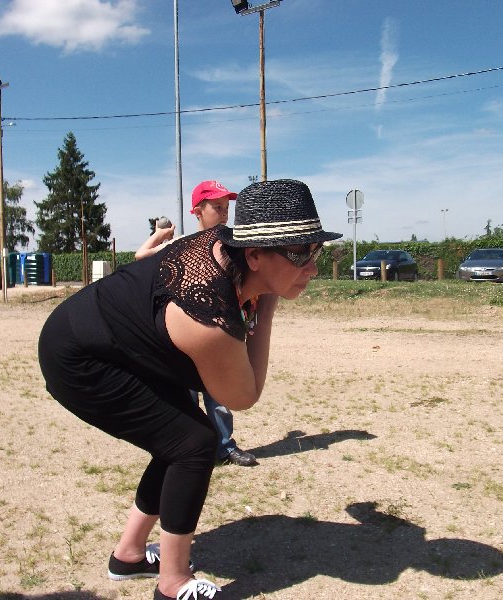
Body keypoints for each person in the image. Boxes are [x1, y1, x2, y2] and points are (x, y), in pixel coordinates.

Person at [37, 178, 341, 600]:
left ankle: (128, 555)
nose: (312, 267)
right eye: (299, 253)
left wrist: (271, 288)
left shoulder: (228, 253)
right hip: (79, 356)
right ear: (253, 254)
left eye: (316, 250)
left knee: (179, 437)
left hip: (120, 340)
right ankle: (173, 582)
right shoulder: (206, 311)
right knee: (194, 442)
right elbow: (243, 395)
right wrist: (269, 306)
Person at [135, 180, 257, 467]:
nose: (224, 213)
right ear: (198, 212)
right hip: (187, 334)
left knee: (219, 395)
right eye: (217, 207)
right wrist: (161, 235)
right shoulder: (182, 244)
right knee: (186, 395)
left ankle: (224, 448)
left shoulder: (233, 244)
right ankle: (189, 449)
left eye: (226, 207)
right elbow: (141, 256)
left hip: (219, 331)